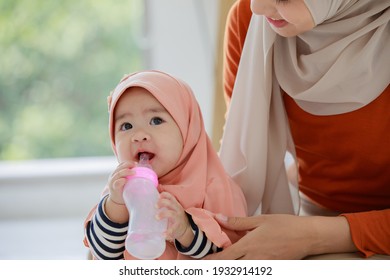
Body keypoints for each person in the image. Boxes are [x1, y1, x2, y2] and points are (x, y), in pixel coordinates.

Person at [208, 0, 390, 259]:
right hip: (301, 222)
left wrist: (313, 236)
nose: (257, 8)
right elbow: (240, 154)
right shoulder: (248, 22)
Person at [83, 70, 247, 260]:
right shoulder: (119, 190)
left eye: (156, 120)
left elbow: (232, 259)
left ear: (188, 129)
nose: (139, 135)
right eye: (126, 126)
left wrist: (185, 231)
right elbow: (102, 255)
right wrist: (116, 206)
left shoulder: (217, 189)